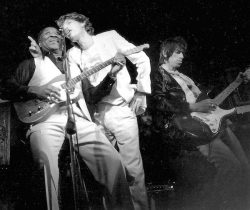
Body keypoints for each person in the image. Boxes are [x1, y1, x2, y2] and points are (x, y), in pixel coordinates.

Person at [4, 26, 134, 210]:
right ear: (40, 44)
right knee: (45, 163)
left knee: (113, 162)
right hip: (44, 120)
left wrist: (111, 75)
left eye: (56, 33)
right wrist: (34, 90)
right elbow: (7, 87)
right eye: (46, 34)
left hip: (77, 118)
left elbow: (92, 96)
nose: (53, 35)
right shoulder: (31, 64)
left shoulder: (75, 66)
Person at [56, 12, 151, 210]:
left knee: (133, 169)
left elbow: (141, 58)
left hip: (120, 110)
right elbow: (79, 90)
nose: (65, 29)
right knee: (107, 172)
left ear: (83, 22)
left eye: (69, 23)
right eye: (62, 29)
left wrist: (141, 91)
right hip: (96, 115)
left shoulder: (109, 37)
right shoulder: (72, 55)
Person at [152, 36, 250, 210]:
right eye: (178, 52)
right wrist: (193, 106)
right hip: (196, 127)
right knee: (231, 167)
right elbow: (159, 102)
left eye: (183, 52)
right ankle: (215, 204)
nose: (182, 56)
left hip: (216, 121)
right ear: (166, 54)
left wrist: (237, 82)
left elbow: (208, 100)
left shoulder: (182, 75)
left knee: (244, 166)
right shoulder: (159, 74)